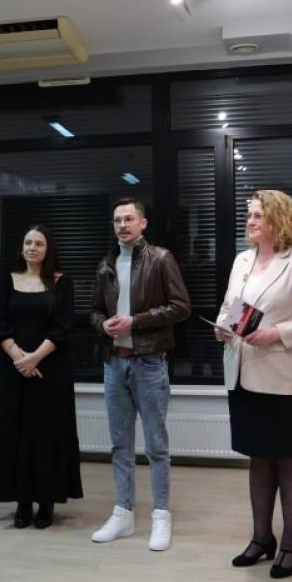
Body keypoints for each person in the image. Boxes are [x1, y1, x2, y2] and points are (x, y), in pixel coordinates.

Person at [217, 190, 292, 579]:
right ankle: (261, 538)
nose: (249, 221)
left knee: (287, 458)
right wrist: (223, 327)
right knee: (259, 457)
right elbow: (232, 308)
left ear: (279, 219)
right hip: (242, 374)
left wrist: (276, 333)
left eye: (257, 215)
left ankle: (291, 544)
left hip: (282, 378)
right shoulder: (242, 260)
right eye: (248, 215)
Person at [89, 198, 190, 552]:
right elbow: (94, 311)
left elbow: (181, 307)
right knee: (120, 444)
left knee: (156, 445)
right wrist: (104, 324)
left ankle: (161, 515)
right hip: (114, 363)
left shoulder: (161, 259)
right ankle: (123, 513)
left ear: (143, 222)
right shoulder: (106, 263)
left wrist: (136, 321)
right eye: (117, 220)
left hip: (149, 363)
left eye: (129, 219)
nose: (123, 225)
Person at [0, 225, 82, 530]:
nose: (32, 248)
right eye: (28, 242)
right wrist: (19, 358)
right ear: (21, 247)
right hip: (13, 369)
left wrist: (34, 358)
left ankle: (47, 500)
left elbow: (62, 327)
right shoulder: (6, 280)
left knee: (47, 433)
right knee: (15, 432)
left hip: (51, 369)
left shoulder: (62, 282)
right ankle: (22, 502)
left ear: (47, 249)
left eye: (38, 243)